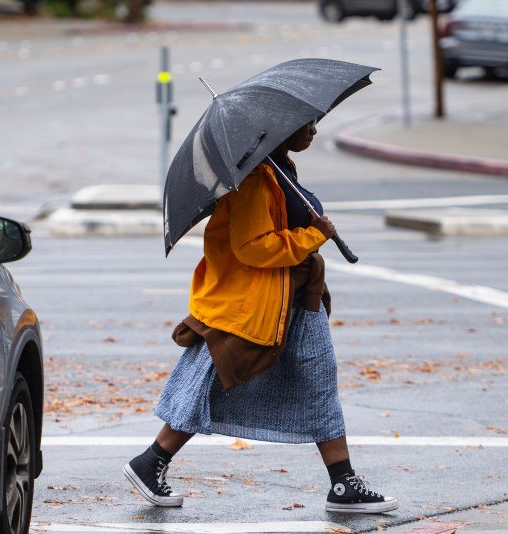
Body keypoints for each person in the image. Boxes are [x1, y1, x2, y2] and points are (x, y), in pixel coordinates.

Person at [123, 119, 398, 514]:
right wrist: (311, 237)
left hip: (297, 300)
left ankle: (343, 483)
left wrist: (309, 234)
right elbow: (252, 247)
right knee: (213, 380)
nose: (314, 131)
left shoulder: (280, 168)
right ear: (280, 130)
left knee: (319, 383)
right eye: (307, 125)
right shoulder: (255, 179)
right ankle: (151, 462)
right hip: (260, 303)